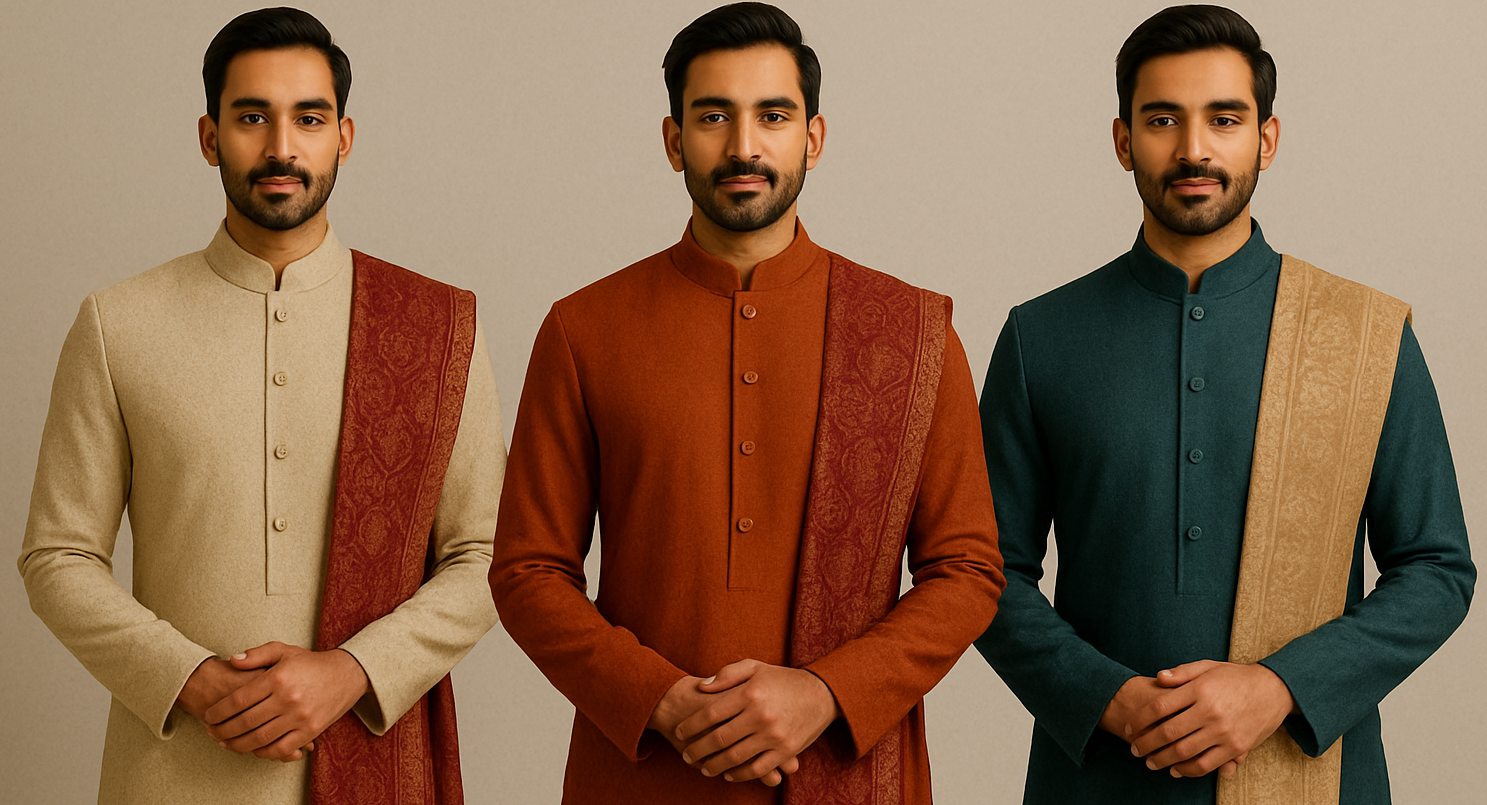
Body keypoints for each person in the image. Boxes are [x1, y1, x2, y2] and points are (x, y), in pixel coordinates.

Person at [488, 3, 1004, 803]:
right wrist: (660, 700)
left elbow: (966, 569)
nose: (742, 146)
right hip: (641, 777)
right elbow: (527, 570)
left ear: (813, 137)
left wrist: (825, 692)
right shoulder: (583, 329)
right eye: (712, 117)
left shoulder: (909, 333)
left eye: (772, 115)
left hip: (850, 764)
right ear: (672, 141)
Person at [974, 5, 1474, 804]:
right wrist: (1111, 698)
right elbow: (980, 572)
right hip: (1099, 781)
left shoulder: (1363, 335)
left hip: (1315, 775)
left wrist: (1280, 686)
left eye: (1224, 119)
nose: (1193, 149)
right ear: (1121, 140)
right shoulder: (1043, 338)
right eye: (1161, 119)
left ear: (1266, 139)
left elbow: (1436, 568)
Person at [18, 8, 504, 804]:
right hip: (168, 776)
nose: (282, 147)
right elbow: (57, 556)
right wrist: (193, 679)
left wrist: (352, 670)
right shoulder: (118, 324)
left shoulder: (435, 326)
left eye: (308, 119)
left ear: (344, 137)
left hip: (368, 756)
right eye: (252, 118)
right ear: (210, 137)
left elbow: (486, 554)